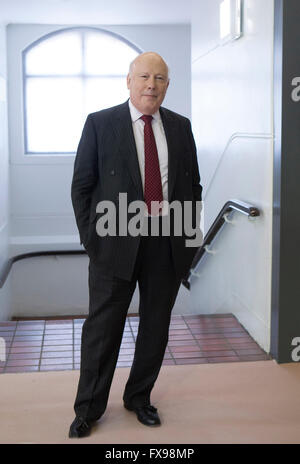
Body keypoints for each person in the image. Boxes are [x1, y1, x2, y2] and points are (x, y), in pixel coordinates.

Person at [69, 51, 202, 438]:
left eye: (160, 78)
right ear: (128, 81)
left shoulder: (180, 126)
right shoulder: (100, 123)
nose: (151, 85)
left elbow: (192, 187)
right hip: (113, 242)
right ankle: (88, 409)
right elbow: (81, 187)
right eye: (144, 76)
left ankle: (139, 398)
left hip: (167, 242)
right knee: (102, 329)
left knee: (155, 327)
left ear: (167, 85)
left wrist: (188, 243)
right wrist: (91, 240)